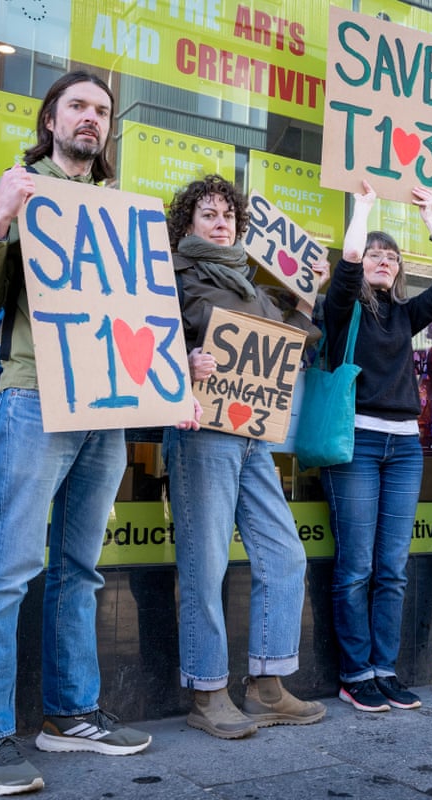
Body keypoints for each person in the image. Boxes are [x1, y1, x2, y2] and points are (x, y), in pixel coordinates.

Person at [0, 71, 154, 796]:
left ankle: (70, 717)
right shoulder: (19, 186)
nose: (91, 119)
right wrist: (2, 222)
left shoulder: (118, 209)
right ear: (51, 117)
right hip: (35, 396)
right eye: (78, 106)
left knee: (80, 567)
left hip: (107, 405)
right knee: (8, 569)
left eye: (102, 110)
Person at [163, 174, 328, 740]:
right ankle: (208, 694)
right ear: (188, 224)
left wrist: (307, 299)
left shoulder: (251, 285)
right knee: (205, 567)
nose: (221, 222)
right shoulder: (170, 273)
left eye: (228, 214)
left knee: (284, 557)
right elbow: (148, 339)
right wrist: (183, 361)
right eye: (208, 214)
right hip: (202, 431)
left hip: (252, 433)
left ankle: (267, 687)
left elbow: (285, 345)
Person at [321, 181, 432, 712]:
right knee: (356, 566)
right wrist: (364, 207)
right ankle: (355, 673)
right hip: (356, 441)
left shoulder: (405, 316)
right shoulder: (342, 309)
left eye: (392, 256)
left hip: (405, 449)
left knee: (392, 568)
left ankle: (384, 669)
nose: (382, 261)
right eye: (376, 256)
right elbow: (352, 254)